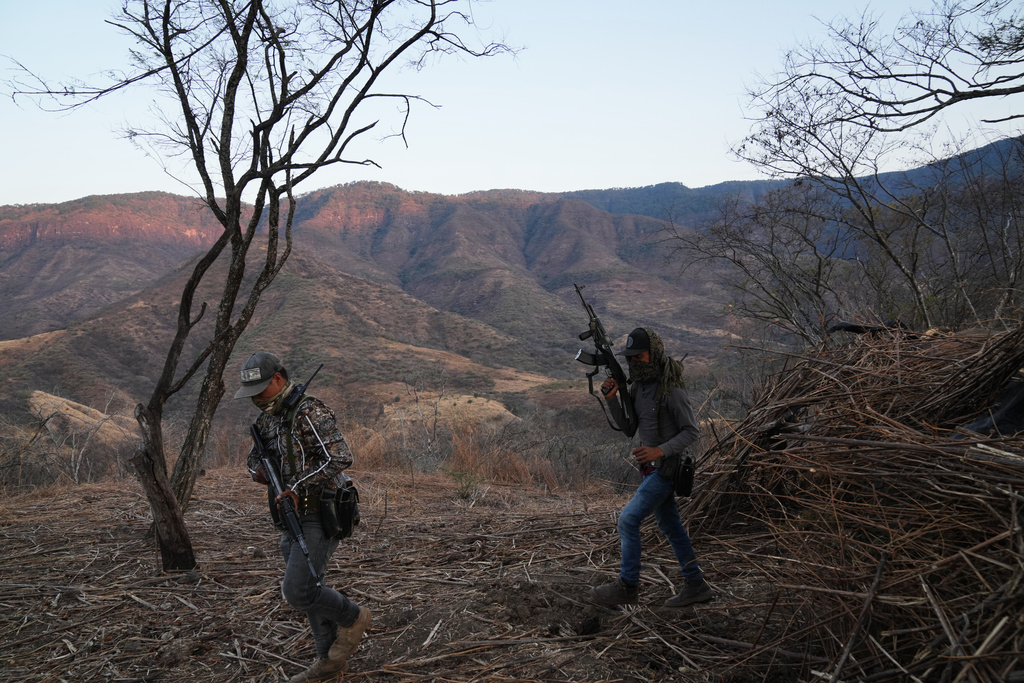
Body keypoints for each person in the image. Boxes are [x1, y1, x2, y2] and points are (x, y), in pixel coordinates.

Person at [235, 352, 370, 682]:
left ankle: (353, 619)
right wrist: (259, 472)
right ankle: (328, 660)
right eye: (251, 392)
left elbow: (340, 456)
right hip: (289, 513)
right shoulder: (269, 418)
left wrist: (296, 484)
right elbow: (254, 459)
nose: (255, 398)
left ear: (279, 379)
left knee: (298, 590)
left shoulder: (307, 410)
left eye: (261, 389)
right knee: (311, 585)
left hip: (320, 510)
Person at [589, 327, 713, 608]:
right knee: (672, 526)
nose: (634, 362)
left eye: (639, 356)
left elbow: (691, 431)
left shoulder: (672, 389)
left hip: (667, 469)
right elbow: (628, 427)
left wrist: (659, 450)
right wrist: (611, 400)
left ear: (654, 354)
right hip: (650, 471)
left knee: (628, 520)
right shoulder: (638, 386)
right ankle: (696, 584)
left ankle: (627, 586)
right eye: (630, 358)